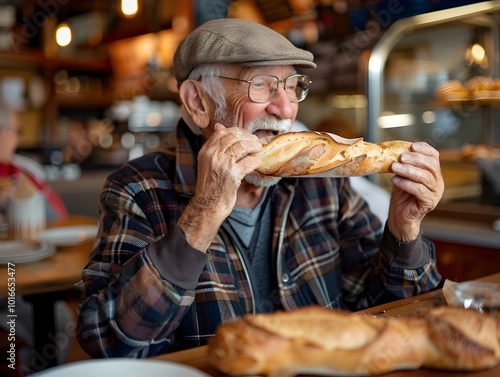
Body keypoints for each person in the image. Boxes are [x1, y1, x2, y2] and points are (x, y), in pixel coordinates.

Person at [77, 18, 444, 358]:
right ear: (198, 103)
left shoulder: (322, 183)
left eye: (292, 85)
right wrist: (202, 215)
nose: (285, 109)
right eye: (261, 85)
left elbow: (396, 310)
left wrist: (403, 229)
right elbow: (110, 344)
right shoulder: (137, 190)